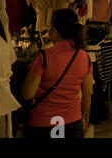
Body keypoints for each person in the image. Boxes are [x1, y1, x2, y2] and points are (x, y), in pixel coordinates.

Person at [20, 8, 93, 138]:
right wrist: (84, 119)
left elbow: (27, 94)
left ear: (54, 30)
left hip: (43, 124)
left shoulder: (44, 56)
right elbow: (87, 95)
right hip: (72, 122)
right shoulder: (84, 56)